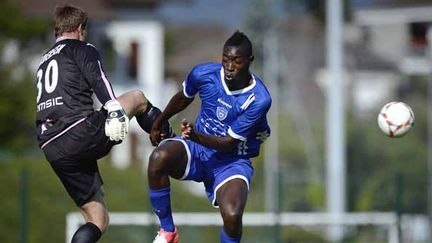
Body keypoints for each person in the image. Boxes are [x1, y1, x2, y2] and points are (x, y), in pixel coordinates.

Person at [35, 5, 171, 243]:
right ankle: (172, 140)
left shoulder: (43, 63)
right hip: (78, 132)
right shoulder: (81, 48)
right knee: (137, 98)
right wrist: (114, 108)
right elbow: (98, 79)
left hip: (52, 147)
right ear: (80, 29)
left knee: (98, 220)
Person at [148, 31, 271, 243]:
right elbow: (183, 98)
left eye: (236, 61)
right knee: (158, 158)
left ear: (249, 61)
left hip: (230, 162)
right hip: (196, 151)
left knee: (233, 216)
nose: (229, 66)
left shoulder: (259, 98)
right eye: (225, 60)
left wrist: (196, 135)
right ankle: (168, 231)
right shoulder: (204, 74)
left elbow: (229, 143)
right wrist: (159, 122)